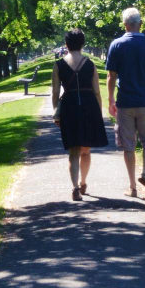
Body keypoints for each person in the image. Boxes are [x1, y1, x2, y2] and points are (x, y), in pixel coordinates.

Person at [106, 7, 145, 198]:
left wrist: (111, 99)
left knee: (128, 145)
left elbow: (111, 76)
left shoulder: (116, 45)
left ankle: (132, 187)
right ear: (141, 24)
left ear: (124, 25)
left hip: (125, 102)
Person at [52, 28, 108, 201]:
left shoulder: (59, 65)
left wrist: (56, 113)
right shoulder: (90, 64)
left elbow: (55, 92)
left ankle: (75, 187)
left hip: (69, 106)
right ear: (82, 44)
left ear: (66, 44)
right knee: (86, 149)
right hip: (89, 105)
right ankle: (83, 183)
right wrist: (99, 113)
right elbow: (97, 92)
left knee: (73, 151)